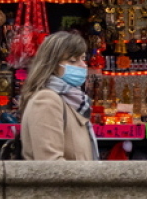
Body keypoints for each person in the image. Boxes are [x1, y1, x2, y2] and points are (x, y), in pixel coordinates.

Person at [19, 31, 98, 160]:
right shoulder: (47, 100)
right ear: (52, 64)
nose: (83, 65)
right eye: (73, 61)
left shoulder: (71, 99)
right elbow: (50, 164)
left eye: (83, 58)